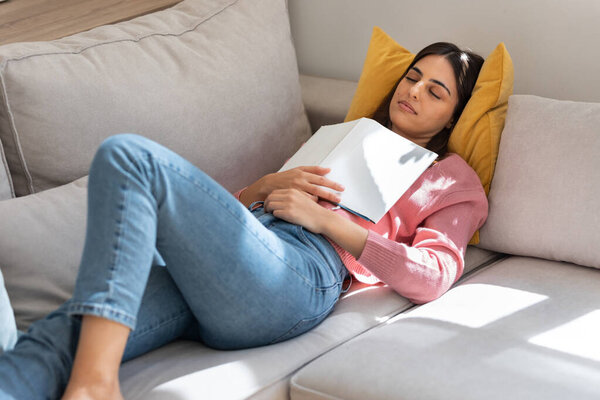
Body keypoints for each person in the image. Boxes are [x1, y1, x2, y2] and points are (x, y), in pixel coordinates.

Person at [0, 42, 486, 400]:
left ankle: (95, 386)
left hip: (299, 275)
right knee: (65, 329)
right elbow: (233, 217)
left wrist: (326, 221)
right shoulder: (346, 135)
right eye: (412, 76)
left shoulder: (452, 177)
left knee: (129, 156)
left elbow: (434, 273)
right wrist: (263, 188)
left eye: (435, 90)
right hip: (243, 252)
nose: (414, 90)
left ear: (451, 118)